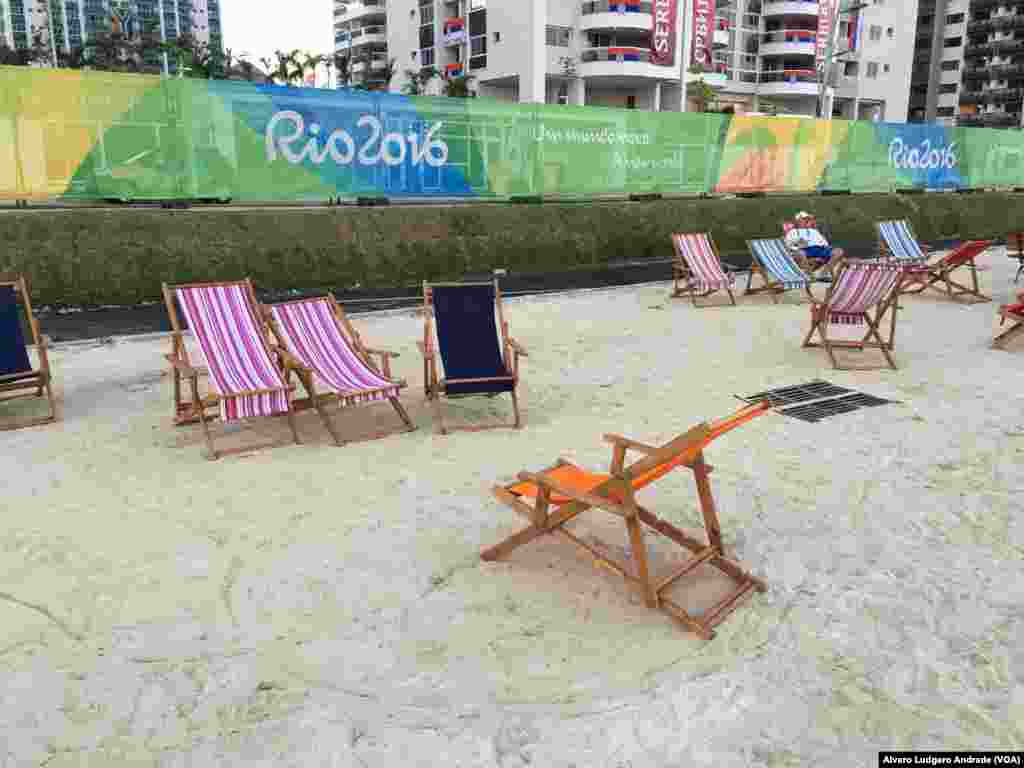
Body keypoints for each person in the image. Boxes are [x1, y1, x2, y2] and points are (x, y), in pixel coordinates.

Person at [783, 211, 845, 280]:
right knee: (801, 253)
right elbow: (787, 246)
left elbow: (825, 243)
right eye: (804, 219)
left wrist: (825, 246)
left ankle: (823, 273)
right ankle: (810, 276)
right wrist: (798, 244)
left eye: (807, 219)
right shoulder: (793, 232)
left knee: (839, 251)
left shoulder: (814, 231)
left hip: (820, 250)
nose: (806, 221)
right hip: (805, 251)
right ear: (798, 221)